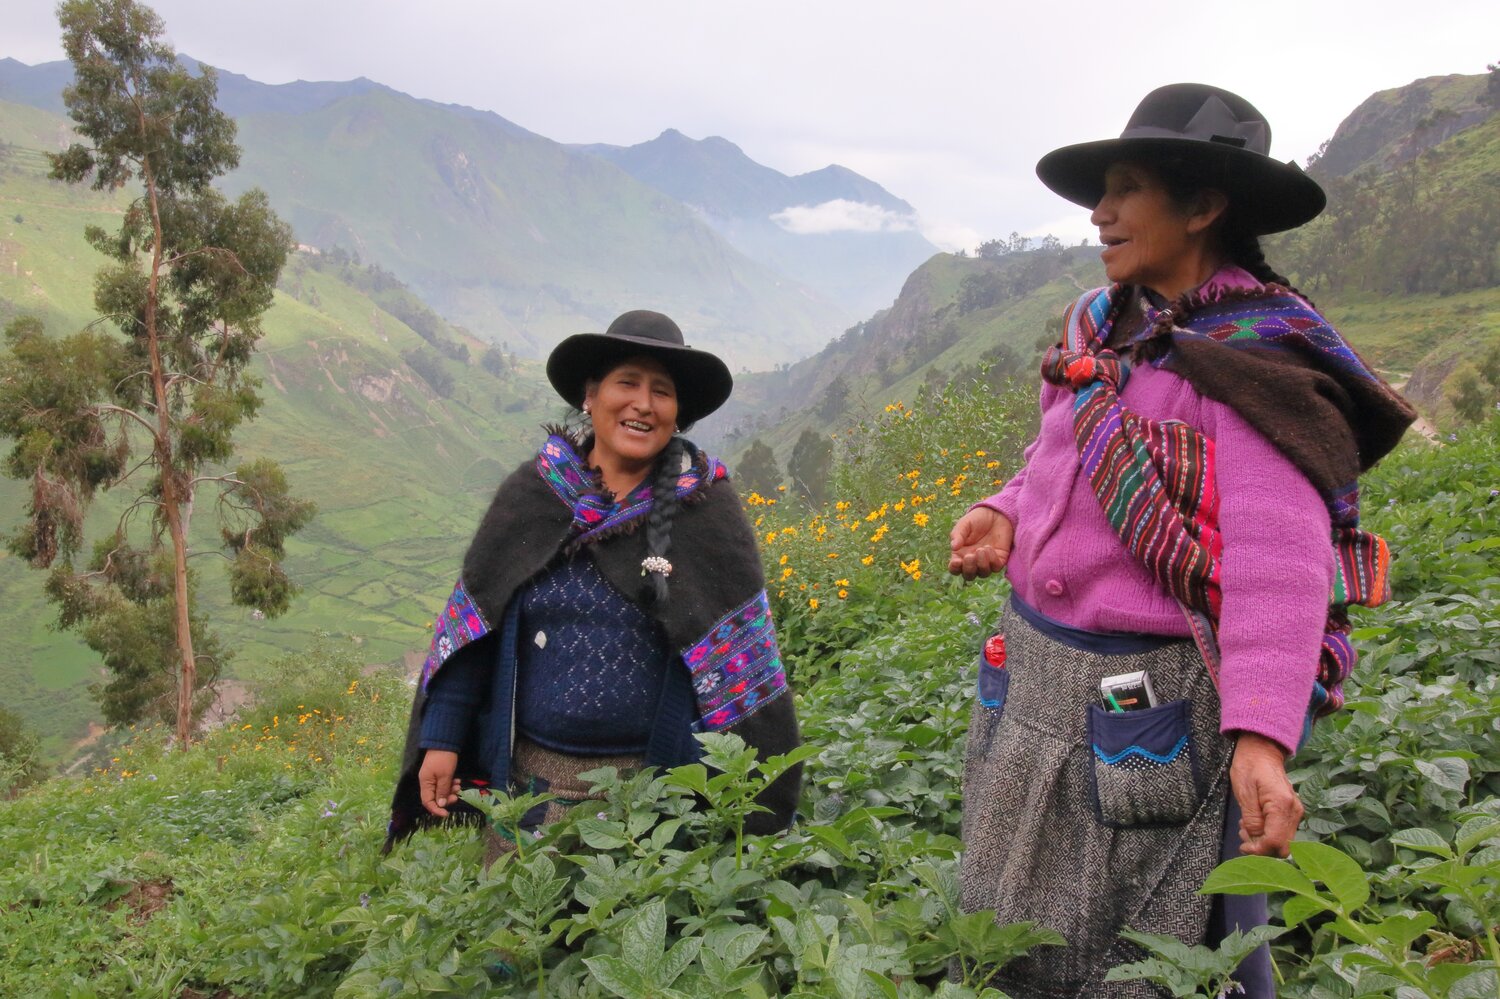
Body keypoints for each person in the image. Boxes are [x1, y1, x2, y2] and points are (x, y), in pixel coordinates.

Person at [948, 84, 1414, 997]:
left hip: (1144, 702)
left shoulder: (1252, 360)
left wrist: (1261, 736)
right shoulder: (1100, 322)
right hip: (1036, 673)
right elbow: (1060, 442)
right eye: (1102, 190)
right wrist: (1008, 507)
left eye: (1126, 189)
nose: (1101, 212)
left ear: (1203, 207)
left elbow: (1282, 564)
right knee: (1013, 916)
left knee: (1133, 935)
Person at [385, 310, 801, 861]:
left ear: (677, 414)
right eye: (627, 382)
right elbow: (475, 627)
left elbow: (741, 666)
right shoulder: (533, 497)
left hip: (656, 795)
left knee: (631, 939)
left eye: (662, 391)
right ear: (590, 395)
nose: (643, 404)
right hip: (529, 785)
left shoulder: (706, 514)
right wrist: (441, 738)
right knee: (519, 938)